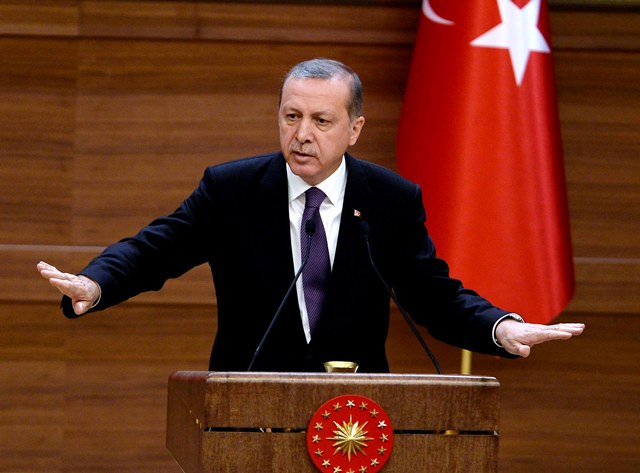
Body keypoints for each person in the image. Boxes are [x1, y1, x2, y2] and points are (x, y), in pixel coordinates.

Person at [37, 58, 584, 372]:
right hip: (247, 408)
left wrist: (499, 326)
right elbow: (157, 248)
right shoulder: (232, 190)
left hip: (358, 416)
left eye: (322, 120)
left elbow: (432, 295)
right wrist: (95, 283)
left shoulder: (391, 198)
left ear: (355, 129)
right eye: (291, 116)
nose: (302, 134)